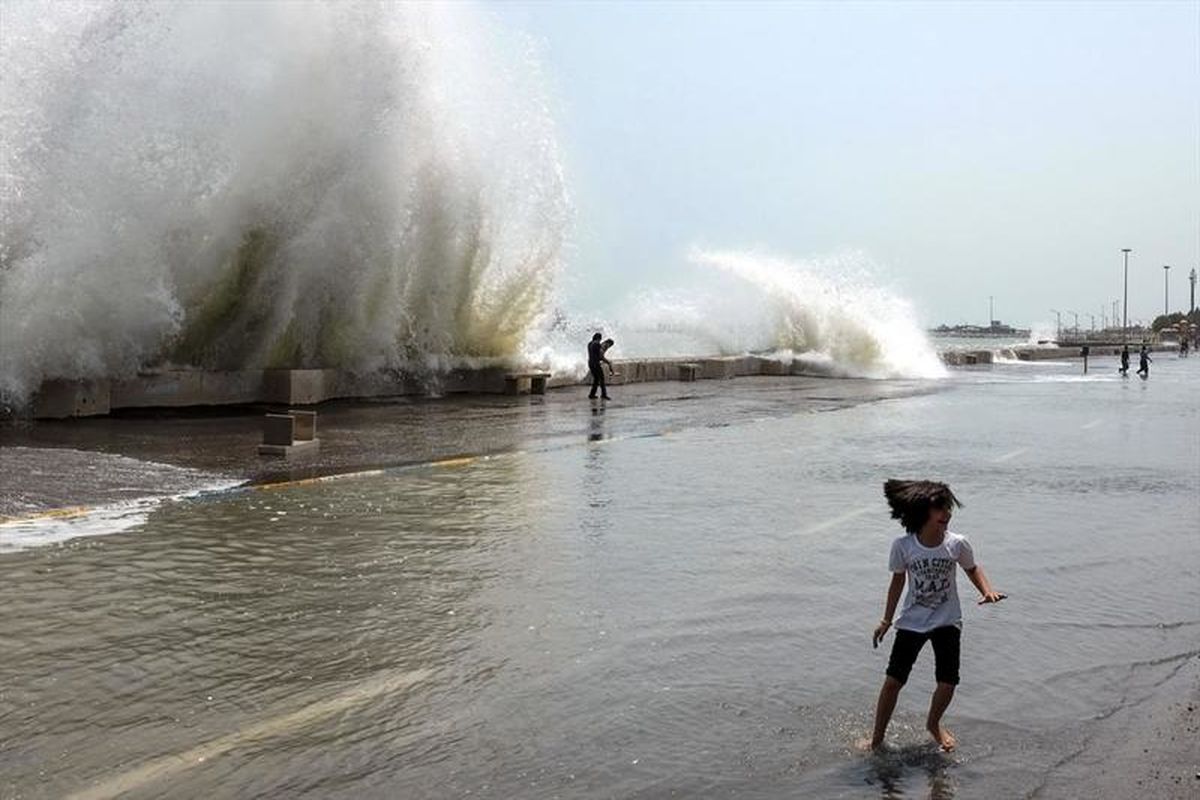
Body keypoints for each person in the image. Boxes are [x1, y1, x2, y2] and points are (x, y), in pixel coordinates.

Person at [866, 479, 1005, 752]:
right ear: (923, 513)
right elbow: (897, 583)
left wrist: (988, 591)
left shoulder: (957, 544)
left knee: (948, 681)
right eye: (940, 509)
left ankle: (933, 724)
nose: (947, 514)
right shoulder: (904, 546)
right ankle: (877, 739)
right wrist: (886, 620)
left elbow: (972, 569)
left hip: (947, 620)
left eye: (948, 508)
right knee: (894, 681)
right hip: (911, 621)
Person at [587, 332, 611, 400]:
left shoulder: (589, 344)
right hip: (596, 364)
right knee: (602, 379)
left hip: (590, 363)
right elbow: (601, 356)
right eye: (600, 339)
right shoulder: (597, 344)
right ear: (599, 338)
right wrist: (608, 362)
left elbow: (594, 354)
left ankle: (592, 394)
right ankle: (604, 395)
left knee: (596, 379)